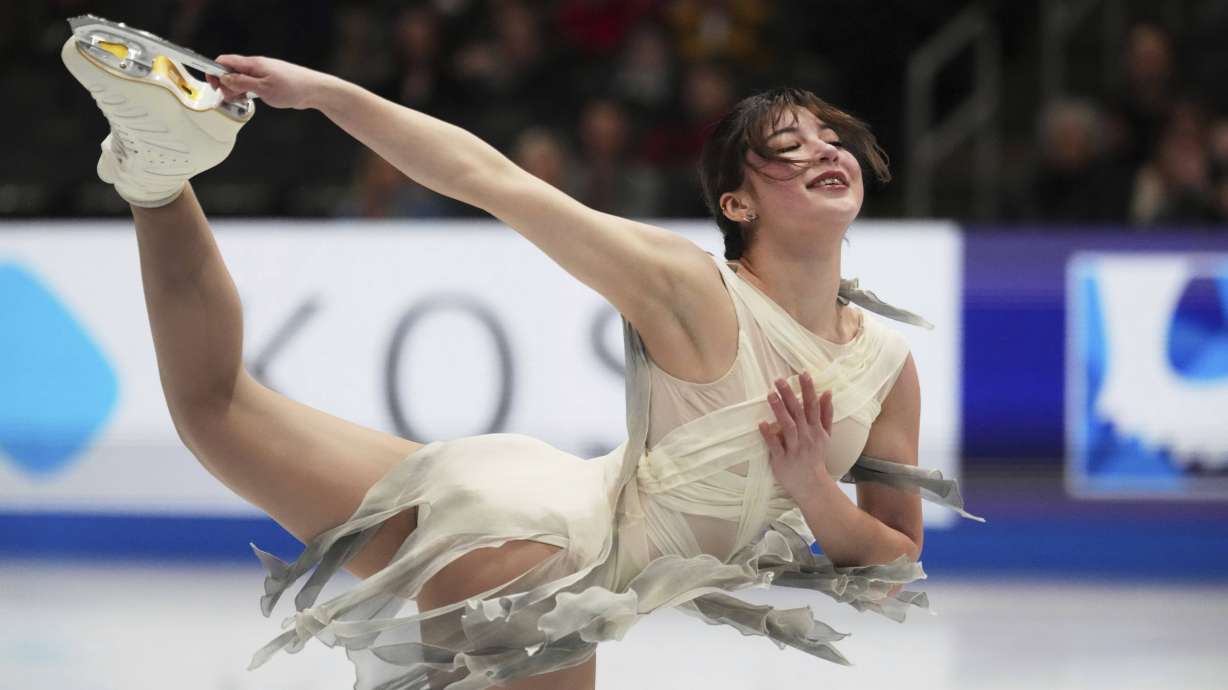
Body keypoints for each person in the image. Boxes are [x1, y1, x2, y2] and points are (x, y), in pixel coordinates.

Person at [61, 34, 982, 690]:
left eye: (832, 138)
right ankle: (160, 166)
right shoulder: (691, 290)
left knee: (216, 413)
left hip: (530, 504)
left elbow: (895, 565)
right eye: (788, 147)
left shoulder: (886, 368)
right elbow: (489, 179)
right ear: (737, 204)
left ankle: (154, 176)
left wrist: (815, 493)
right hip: (544, 563)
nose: (824, 149)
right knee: (217, 412)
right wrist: (331, 94)